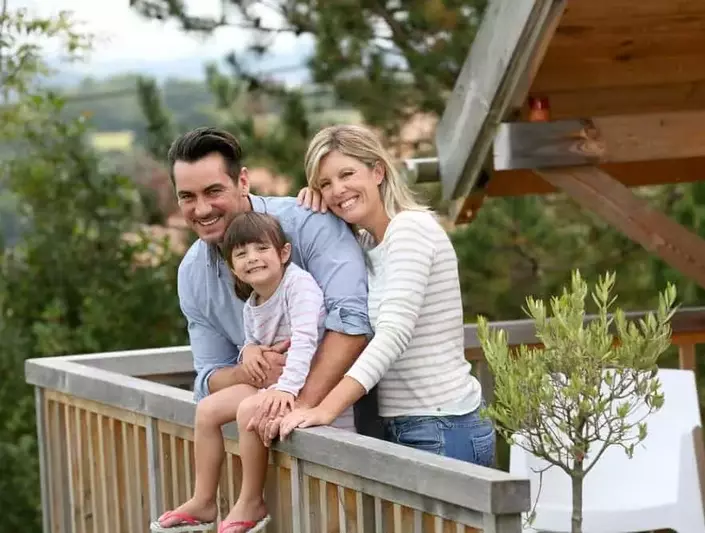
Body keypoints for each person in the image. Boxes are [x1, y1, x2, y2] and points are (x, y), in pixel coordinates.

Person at [151, 127, 378, 531]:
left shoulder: (308, 223)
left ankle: (247, 501)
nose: (201, 209)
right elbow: (209, 377)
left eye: (213, 192)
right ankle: (209, 501)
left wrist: (299, 404)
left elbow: (353, 324)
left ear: (242, 181)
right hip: (270, 431)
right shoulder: (191, 274)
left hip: (354, 426)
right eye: (188, 197)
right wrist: (251, 365)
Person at [263, 124, 495, 466]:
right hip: (402, 425)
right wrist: (314, 214)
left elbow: (393, 335)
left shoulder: (410, 229)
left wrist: (323, 408)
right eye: (325, 183)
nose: (338, 189)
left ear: (377, 171)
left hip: (442, 426)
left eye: (347, 174)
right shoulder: (367, 245)